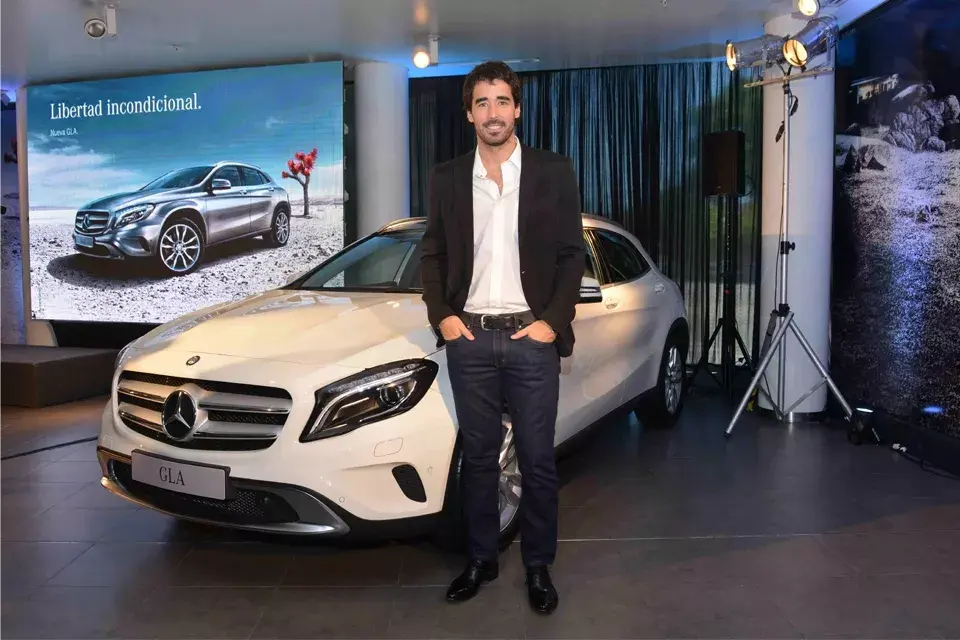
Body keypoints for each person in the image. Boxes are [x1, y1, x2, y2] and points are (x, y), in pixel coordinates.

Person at [419, 60, 585, 615]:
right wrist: (442, 316)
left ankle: (538, 566)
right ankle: (482, 558)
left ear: (518, 109)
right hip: (470, 339)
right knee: (481, 459)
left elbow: (570, 256)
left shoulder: (552, 171)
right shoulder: (447, 177)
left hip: (530, 338)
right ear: (469, 113)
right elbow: (434, 254)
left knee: (537, 459)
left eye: (502, 101)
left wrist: (552, 324)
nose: (493, 112)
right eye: (482, 103)